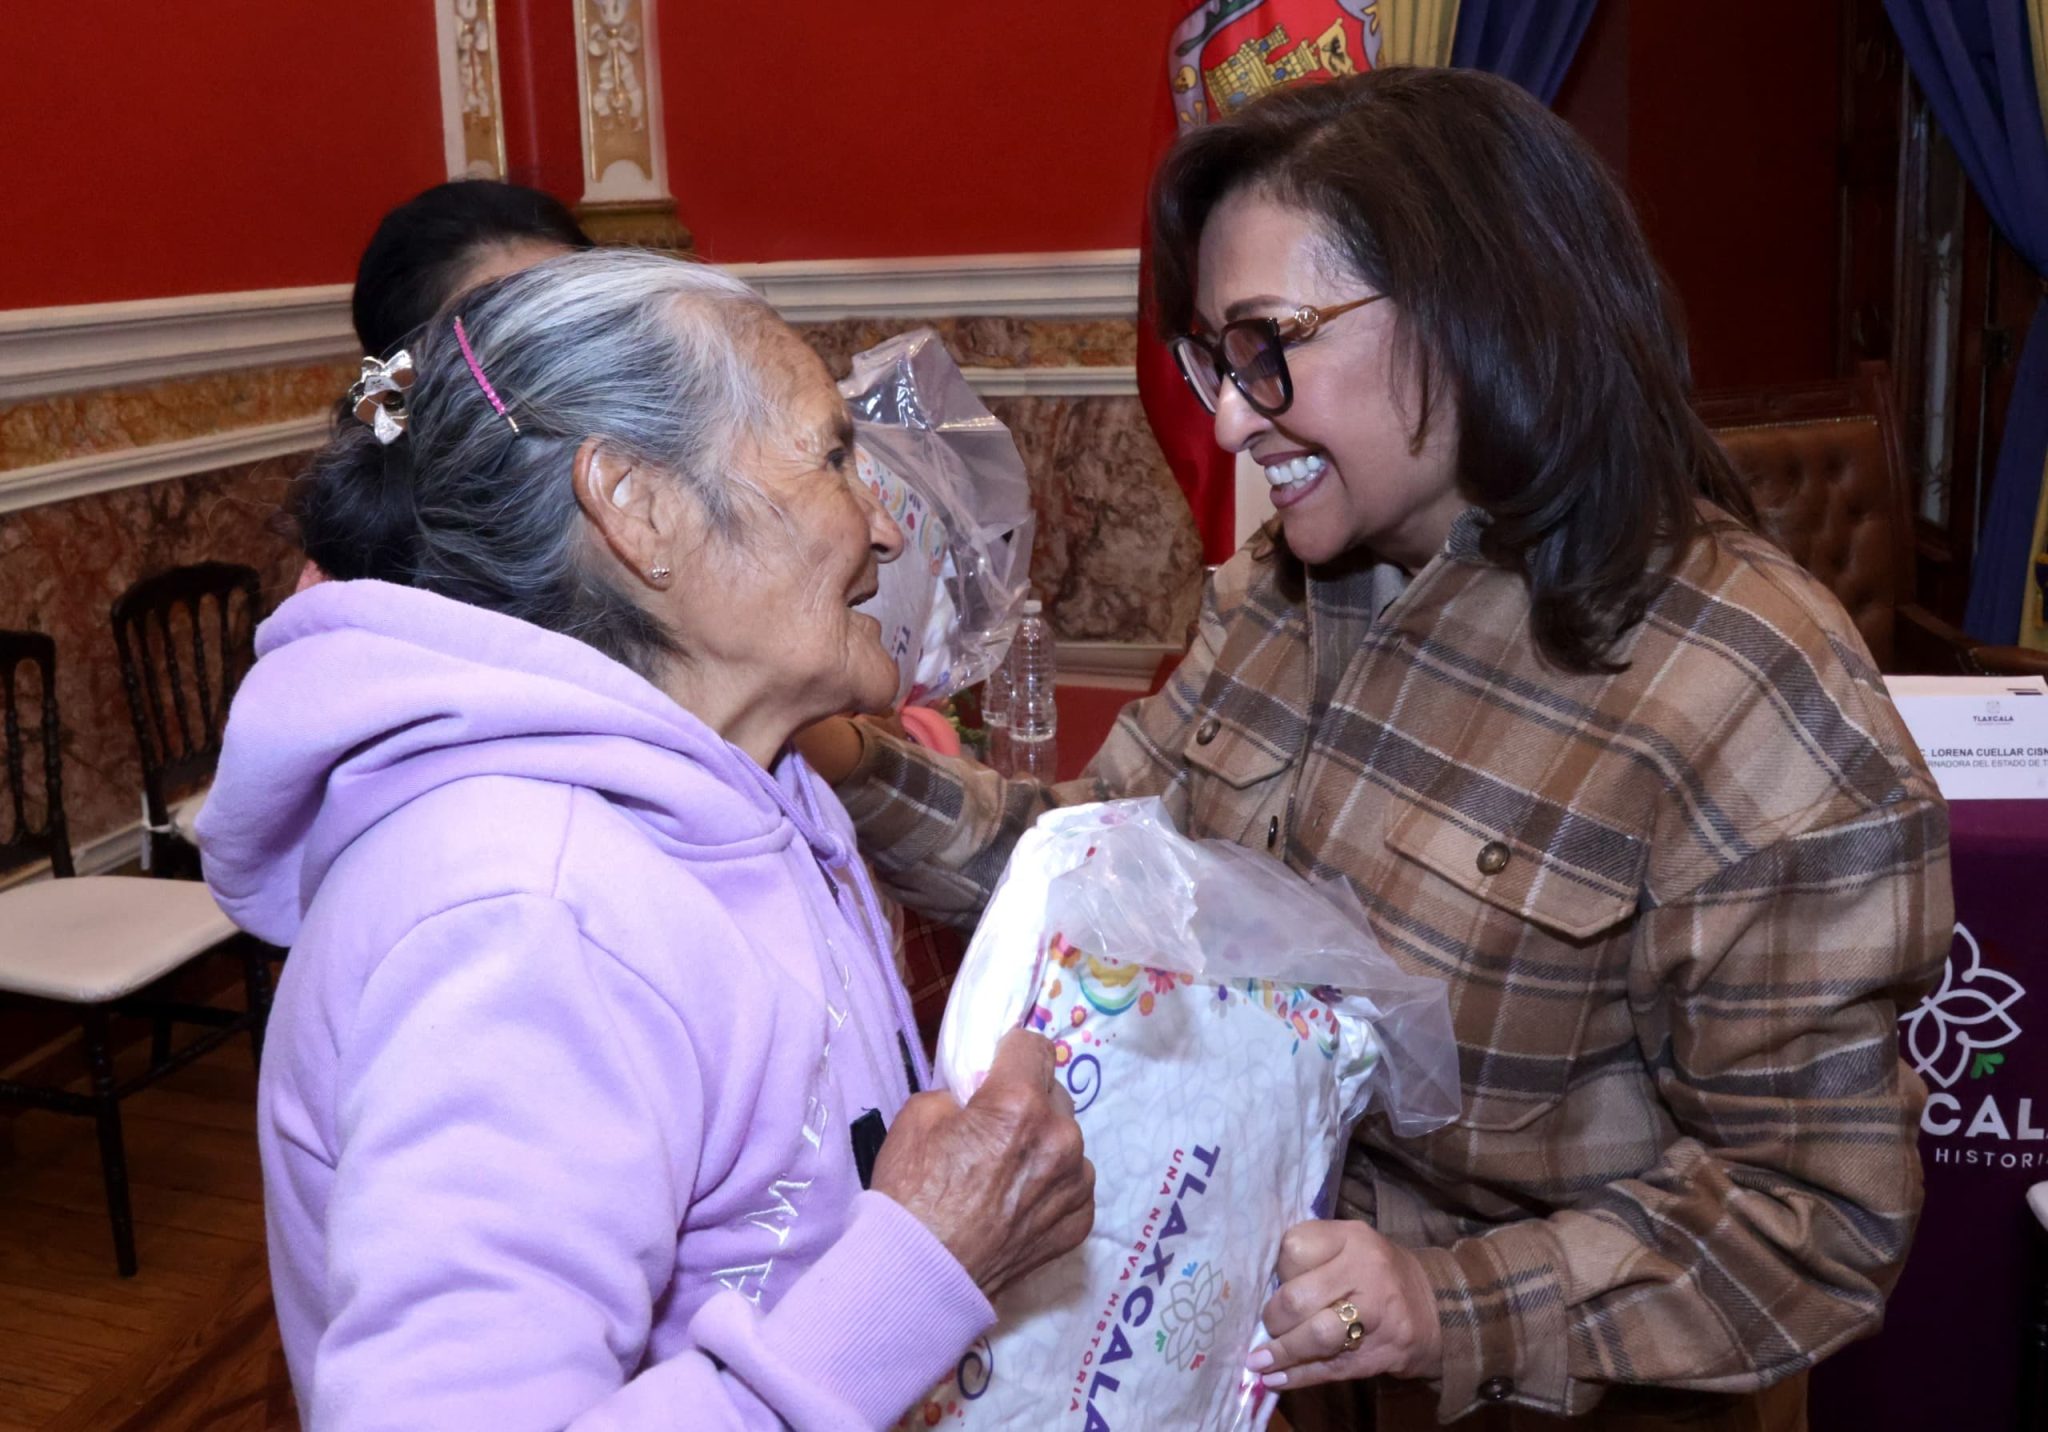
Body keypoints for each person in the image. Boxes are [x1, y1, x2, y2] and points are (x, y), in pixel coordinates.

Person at [798, 68, 1949, 1431]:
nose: (1232, 418)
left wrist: (1447, 1301)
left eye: (1269, 343)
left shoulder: (1746, 688)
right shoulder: (1276, 596)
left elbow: (1814, 1214)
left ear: (1478, 314)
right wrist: (840, 751)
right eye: (1215, 362)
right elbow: (1089, 878)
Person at [197, 249, 1094, 1429]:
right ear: (639, 508)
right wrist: (921, 1264)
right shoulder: (526, 920)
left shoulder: (751, 781)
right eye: (832, 456)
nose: (883, 526)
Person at [300, 181, 594, 589]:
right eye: (511, 348)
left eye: (582, 326)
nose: (561, 370)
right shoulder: (364, 599)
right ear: (401, 385)